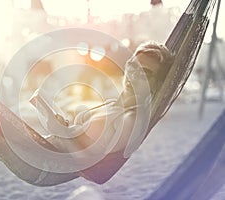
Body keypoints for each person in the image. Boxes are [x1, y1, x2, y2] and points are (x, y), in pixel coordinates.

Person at [31, 41, 174, 183]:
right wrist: (64, 127)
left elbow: (96, 170)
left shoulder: (130, 120)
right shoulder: (112, 104)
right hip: (43, 148)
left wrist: (61, 132)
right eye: (133, 65)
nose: (134, 74)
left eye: (146, 73)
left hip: (43, 163)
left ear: (157, 83)